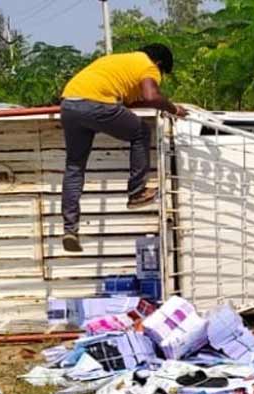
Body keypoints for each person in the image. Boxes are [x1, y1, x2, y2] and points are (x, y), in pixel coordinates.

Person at [58, 43, 183, 252]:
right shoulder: (149, 66)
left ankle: (70, 229)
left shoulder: (119, 61)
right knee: (141, 132)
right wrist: (174, 108)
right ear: (159, 63)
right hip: (96, 104)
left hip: (69, 105)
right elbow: (151, 96)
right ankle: (136, 192)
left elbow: (133, 101)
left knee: (74, 167)